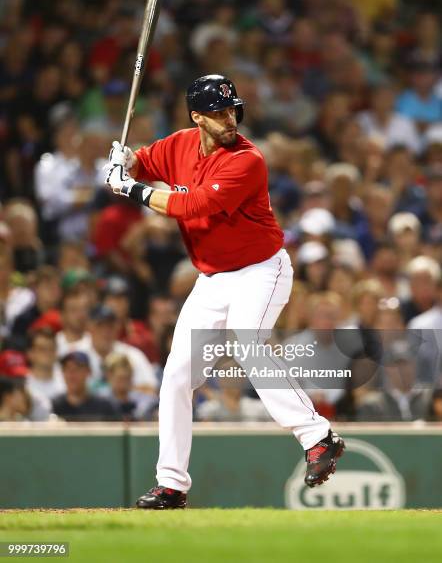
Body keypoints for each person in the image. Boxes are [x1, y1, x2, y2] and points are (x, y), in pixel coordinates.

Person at [105, 74, 345, 509]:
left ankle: (318, 436)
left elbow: (193, 205)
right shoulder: (178, 145)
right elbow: (142, 159)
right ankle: (172, 485)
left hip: (261, 269)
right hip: (212, 278)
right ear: (197, 116)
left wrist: (130, 186)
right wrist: (126, 162)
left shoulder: (247, 160)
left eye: (232, 109)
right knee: (176, 376)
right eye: (217, 112)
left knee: (247, 341)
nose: (228, 118)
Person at [52, 351, 119, 422]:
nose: (71, 374)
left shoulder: (104, 406)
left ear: (88, 371)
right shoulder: (54, 406)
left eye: (77, 369)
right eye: (67, 369)